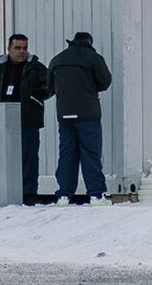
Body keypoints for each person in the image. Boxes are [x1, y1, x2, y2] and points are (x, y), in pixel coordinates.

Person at [0, 33, 52, 202]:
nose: (22, 52)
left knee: (28, 159)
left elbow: (50, 86)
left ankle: (28, 194)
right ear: (9, 49)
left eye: (25, 48)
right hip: (5, 119)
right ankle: (2, 194)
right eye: (17, 48)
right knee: (5, 159)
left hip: (28, 119)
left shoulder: (36, 68)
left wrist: (37, 96)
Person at [48, 31, 112, 204]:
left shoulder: (57, 59)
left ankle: (63, 194)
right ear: (89, 42)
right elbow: (105, 82)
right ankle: (96, 194)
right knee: (91, 154)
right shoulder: (93, 58)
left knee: (67, 154)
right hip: (88, 114)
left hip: (64, 114)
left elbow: (49, 85)